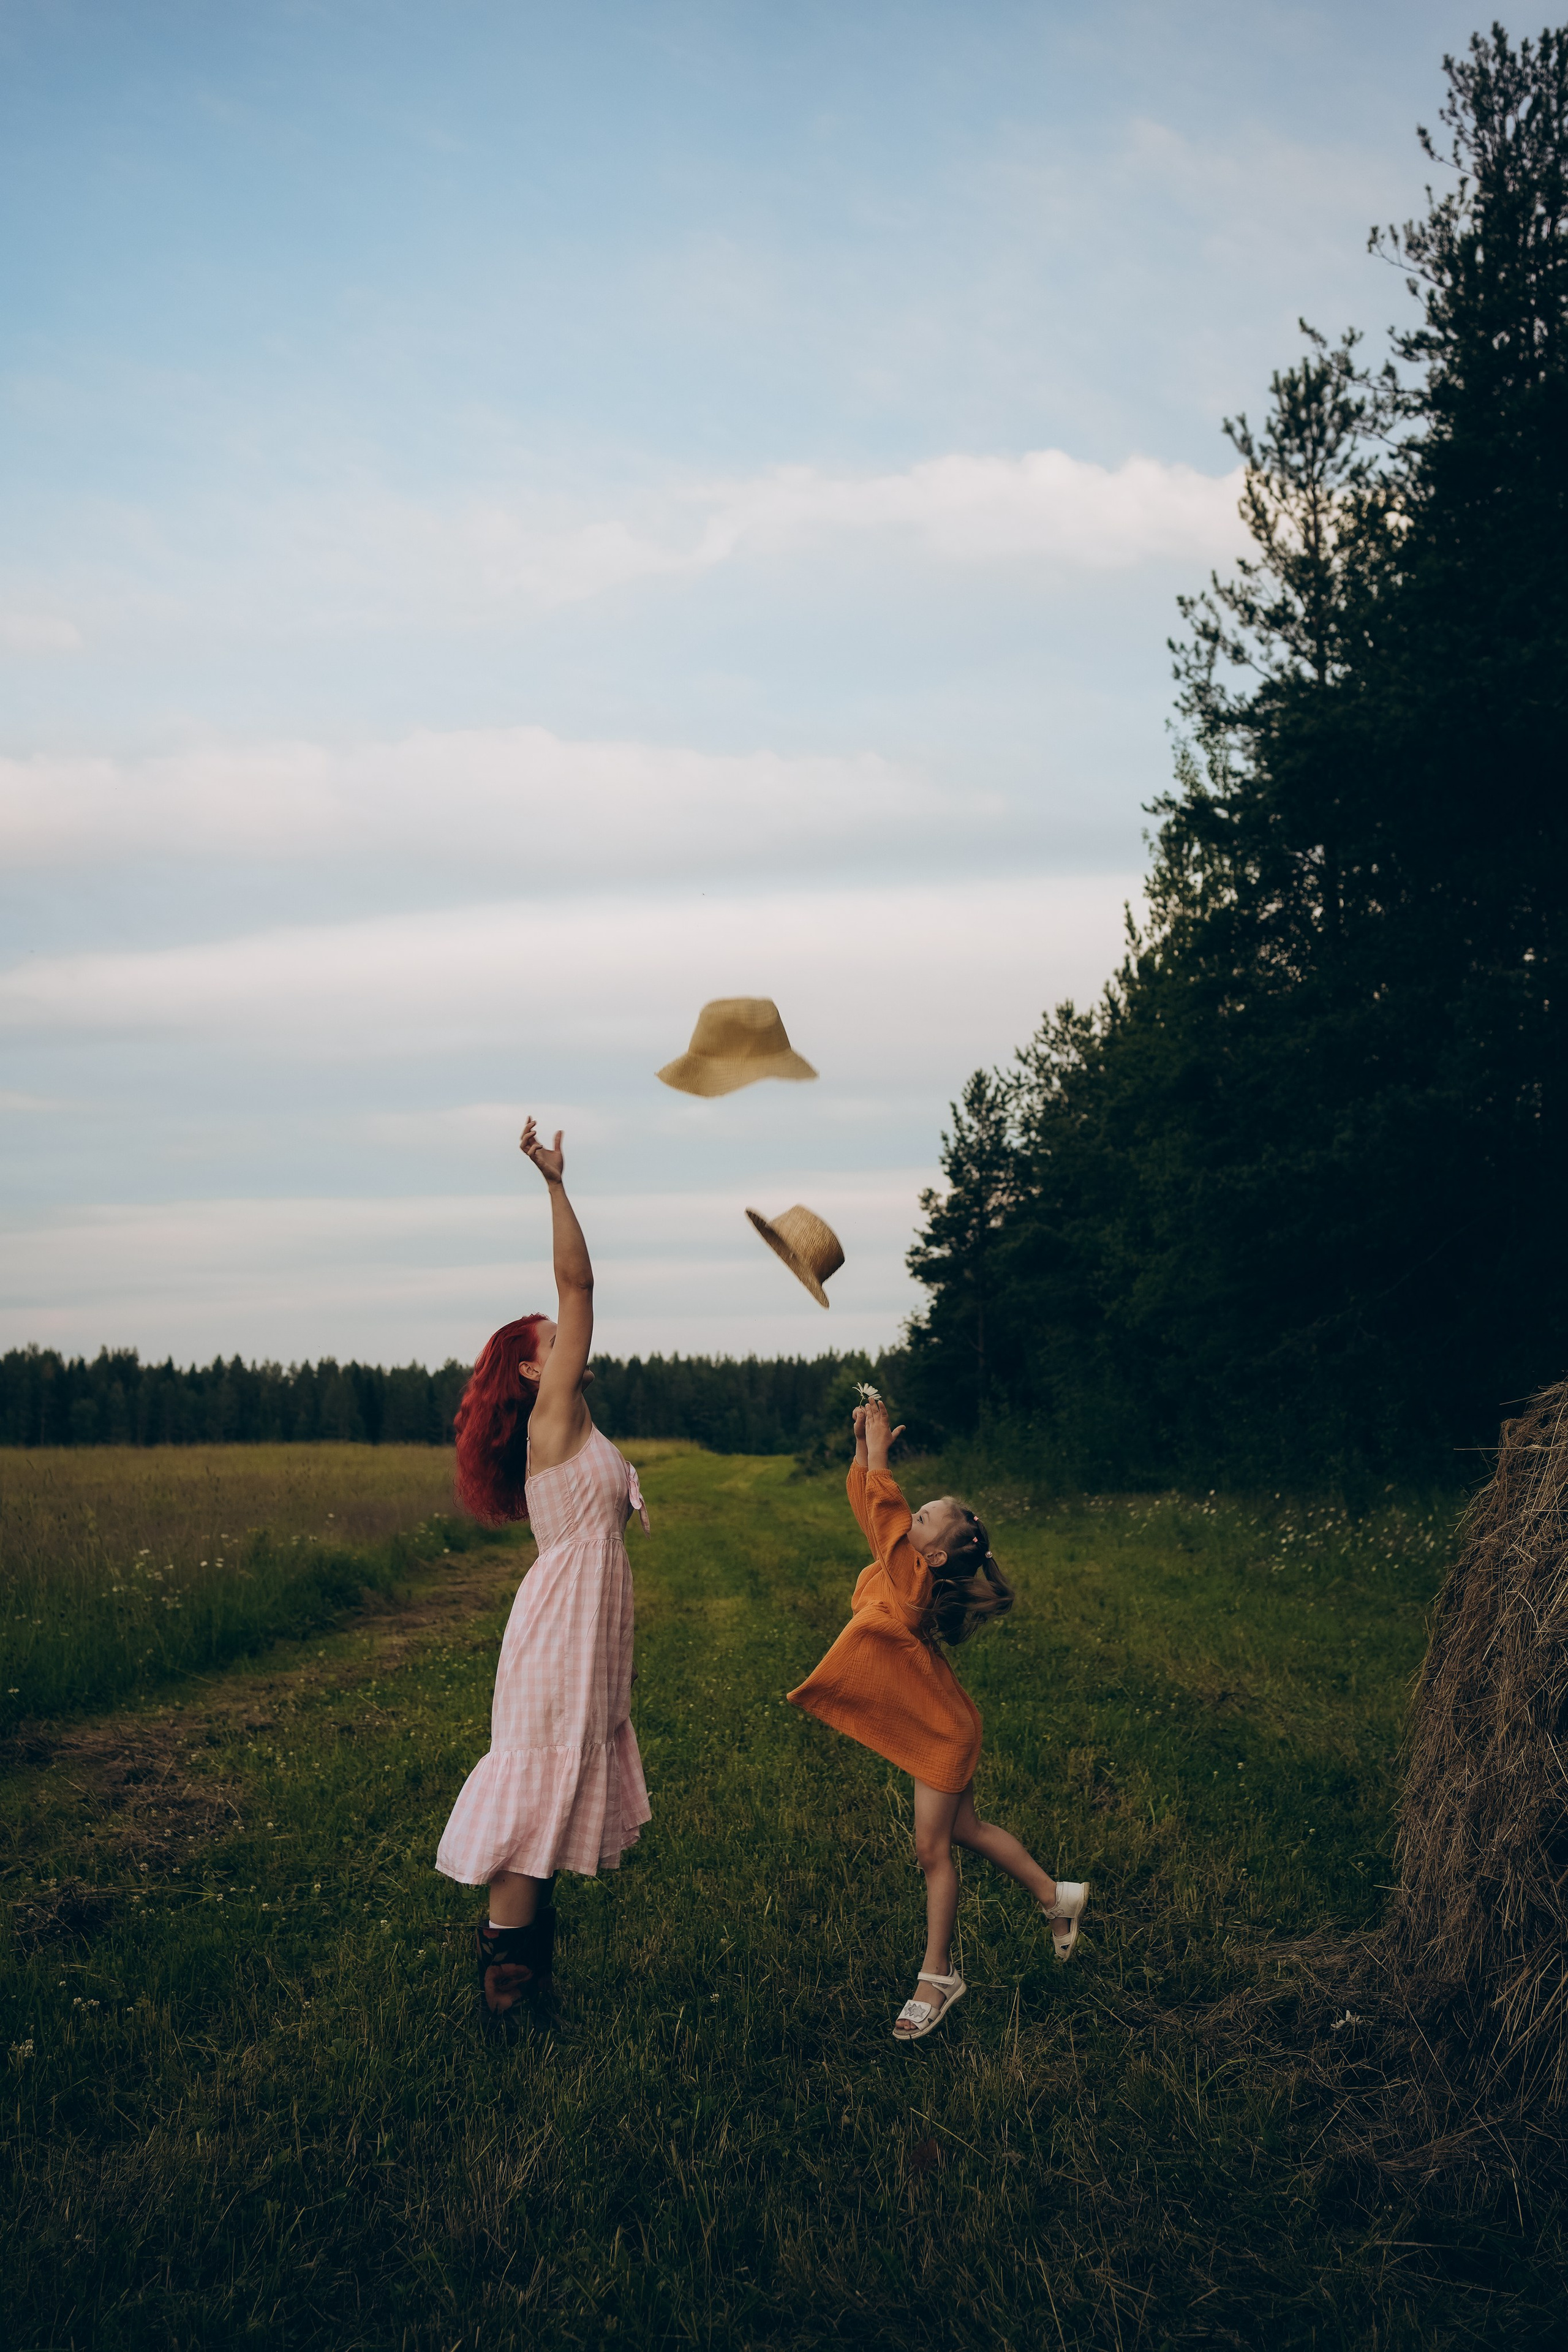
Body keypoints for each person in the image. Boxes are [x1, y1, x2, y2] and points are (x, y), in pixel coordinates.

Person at [435, 1120, 651, 2035]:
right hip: (560, 1630)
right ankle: (507, 2001)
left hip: (575, 1627)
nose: (569, 1335)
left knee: (549, 1799)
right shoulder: (553, 1413)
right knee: (531, 1801)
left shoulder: (577, 1425)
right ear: (535, 1367)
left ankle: (528, 1988)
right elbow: (580, 1280)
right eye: (552, 1338)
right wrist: (555, 1185)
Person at [787, 1395, 1088, 2040]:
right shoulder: (909, 1573)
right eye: (917, 1513)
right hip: (944, 1725)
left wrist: (879, 1456)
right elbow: (874, 1514)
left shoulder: (915, 1580)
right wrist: (865, 1455)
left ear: (936, 1557)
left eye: (924, 1518)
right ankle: (1054, 1898)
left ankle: (937, 1975)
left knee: (933, 1850)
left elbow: (884, 1516)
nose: (910, 1517)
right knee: (968, 1831)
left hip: (944, 1735)